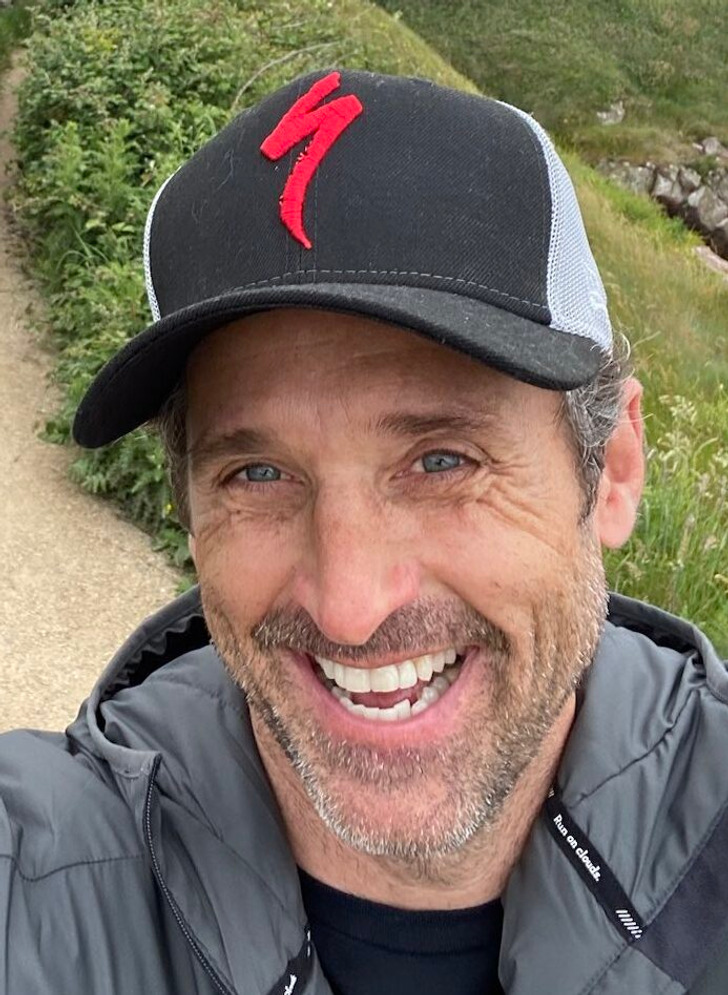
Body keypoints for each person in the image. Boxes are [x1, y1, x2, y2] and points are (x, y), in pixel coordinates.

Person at [1, 68, 726, 995]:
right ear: (189, 511)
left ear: (613, 469)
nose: (348, 607)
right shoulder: (44, 873)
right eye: (257, 474)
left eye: (442, 461)